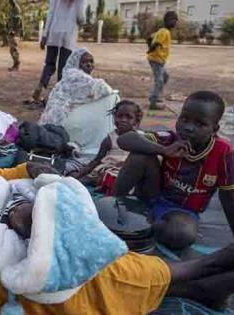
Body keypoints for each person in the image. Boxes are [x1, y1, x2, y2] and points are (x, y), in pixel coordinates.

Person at [0, 17, 234, 315]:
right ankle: (193, 273)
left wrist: (29, 172)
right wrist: (29, 233)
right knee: (67, 281)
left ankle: (190, 280)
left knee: (78, 247)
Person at [114, 91, 234, 251]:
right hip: (152, 194)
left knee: (182, 233)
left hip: (181, 211)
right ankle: (113, 205)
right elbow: (124, 139)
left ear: (214, 129)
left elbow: (228, 196)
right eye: (184, 119)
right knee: (140, 156)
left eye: (200, 124)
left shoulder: (223, 153)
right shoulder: (171, 138)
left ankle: (138, 224)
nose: (188, 128)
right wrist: (163, 150)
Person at [70, 100, 143, 190]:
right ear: (114, 117)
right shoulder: (110, 139)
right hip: (109, 169)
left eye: (129, 117)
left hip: (127, 170)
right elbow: (97, 160)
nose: (123, 120)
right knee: (84, 181)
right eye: (119, 116)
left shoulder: (141, 138)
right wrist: (79, 174)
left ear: (136, 121)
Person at [29, 0, 88, 107]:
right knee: (64, 68)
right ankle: (60, 96)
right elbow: (80, 17)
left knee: (49, 64)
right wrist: (82, 23)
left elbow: (50, 14)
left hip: (53, 33)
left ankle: (40, 87)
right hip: (69, 34)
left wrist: (44, 35)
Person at [38, 48, 114, 126]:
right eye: (84, 62)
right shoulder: (77, 76)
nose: (89, 65)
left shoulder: (68, 76)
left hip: (51, 120)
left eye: (91, 61)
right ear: (76, 63)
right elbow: (105, 89)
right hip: (63, 122)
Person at [147, 11, 178, 110]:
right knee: (159, 81)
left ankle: (153, 96)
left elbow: (149, 38)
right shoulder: (164, 32)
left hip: (159, 60)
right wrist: (150, 50)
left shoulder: (162, 31)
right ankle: (153, 102)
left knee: (165, 77)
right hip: (156, 60)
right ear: (167, 21)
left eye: (175, 20)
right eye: (173, 20)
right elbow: (155, 43)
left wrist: (150, 47)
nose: (175, 23)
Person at [7, 0, 23, 72]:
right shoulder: (12, 9)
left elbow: (18, 21)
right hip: (11, 32)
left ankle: (17, 64)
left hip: (15, 32)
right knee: (12, 49)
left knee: (14, 49)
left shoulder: (16, 9)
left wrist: (14, 30)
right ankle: (15, 63)